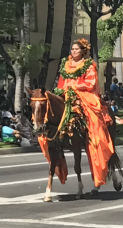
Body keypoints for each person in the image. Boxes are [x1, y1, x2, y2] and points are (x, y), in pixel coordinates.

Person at [45, 38, 117, 190]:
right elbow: (61, 82)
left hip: (84, 94)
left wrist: (75, 86)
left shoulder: (89, 64)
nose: (73, 51)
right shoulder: (66, 64)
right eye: (72, 49)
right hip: (66, 94)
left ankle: (95, 137)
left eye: (76, 49)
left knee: (92, 116)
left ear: (83, 51)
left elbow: (91, 83)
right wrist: (61, 91)